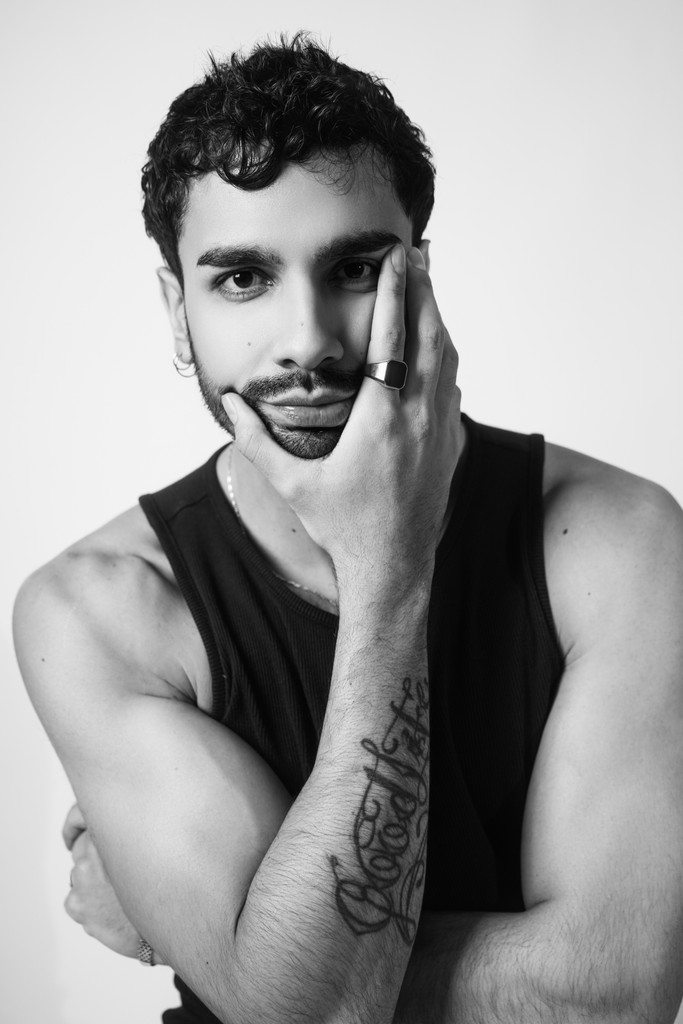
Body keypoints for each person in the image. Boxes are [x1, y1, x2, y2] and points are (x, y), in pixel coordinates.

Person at [13, 32, 683, 1024]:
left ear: (421, 274)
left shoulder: (620, 540)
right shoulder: (96, 609)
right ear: (176, 308)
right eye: (241, 278)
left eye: (356, 268)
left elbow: (611, 996)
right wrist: (389, 568)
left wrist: (232, 952)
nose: (308, 341)